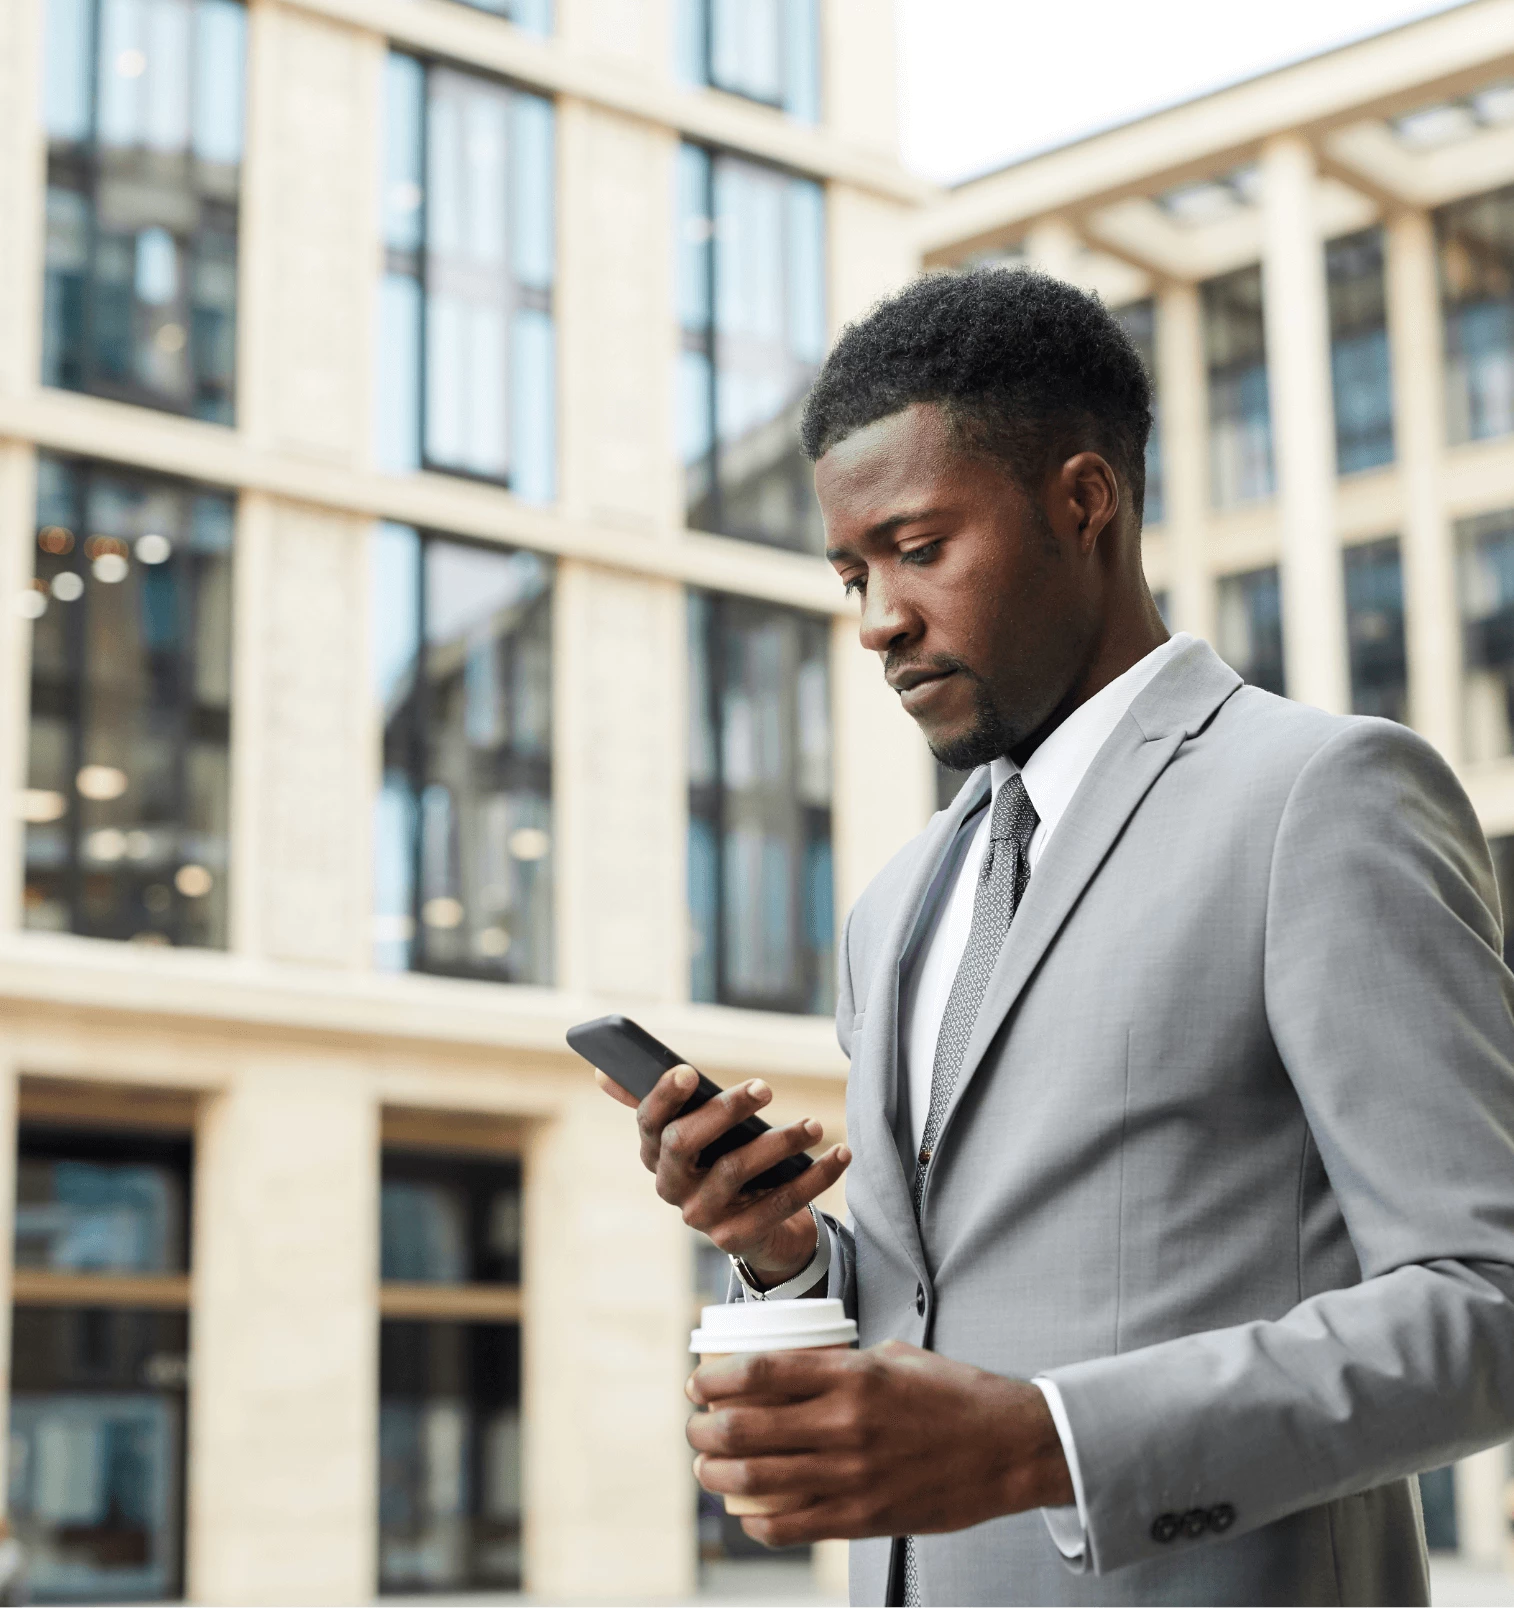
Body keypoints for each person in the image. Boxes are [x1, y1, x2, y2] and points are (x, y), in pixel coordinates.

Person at [594, 268, 1514, 1605]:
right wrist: (780, 1251)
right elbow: (936, 1311)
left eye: (917, 549)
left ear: (1083, 502)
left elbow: (1485, 1300)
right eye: (852, 573)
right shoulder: (896, 903)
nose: (877, 621)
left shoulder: (1318, 797)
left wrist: (1051, 1444)